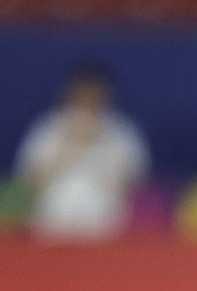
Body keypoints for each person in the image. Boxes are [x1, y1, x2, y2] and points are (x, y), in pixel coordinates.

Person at [13, 64, 149, 239]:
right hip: (52, 225)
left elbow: (137, 183)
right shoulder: (47, 129)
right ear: (69, 93)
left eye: (94, 94)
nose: (88, 99)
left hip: (106, 226)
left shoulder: (123, 132)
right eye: (83, 93)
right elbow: (28, 180)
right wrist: (70, 145)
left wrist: (98, 144)